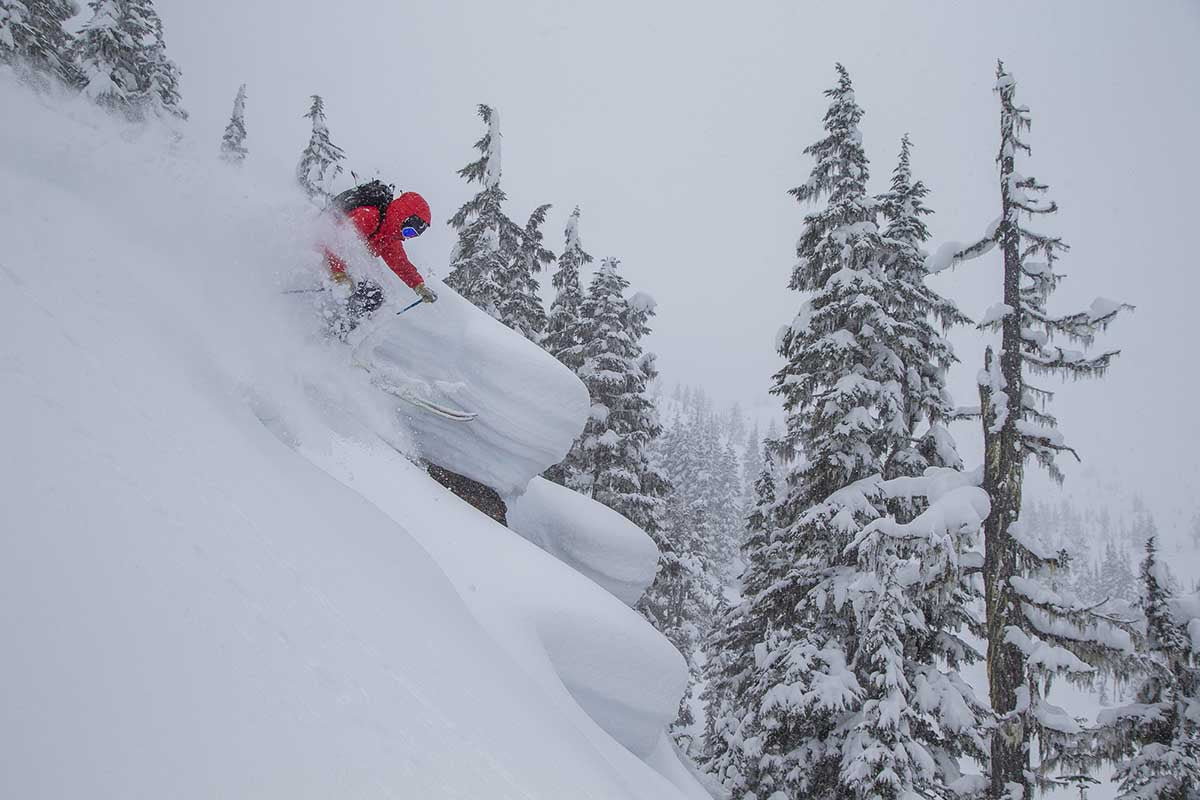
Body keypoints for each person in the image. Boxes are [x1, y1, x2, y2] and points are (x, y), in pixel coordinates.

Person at [324, 190, 438, 333]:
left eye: (412, 235)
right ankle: (329, 325)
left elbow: (401, 264)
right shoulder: (368, 216)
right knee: (362, 293)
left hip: (340, 263)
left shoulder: (388, 237)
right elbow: (335, 240)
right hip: (324, 254)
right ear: (403, 217)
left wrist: (419, 286)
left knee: (373, 296)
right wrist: (339, 274)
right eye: (408, 231)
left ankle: (339, 330)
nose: (407, 237)